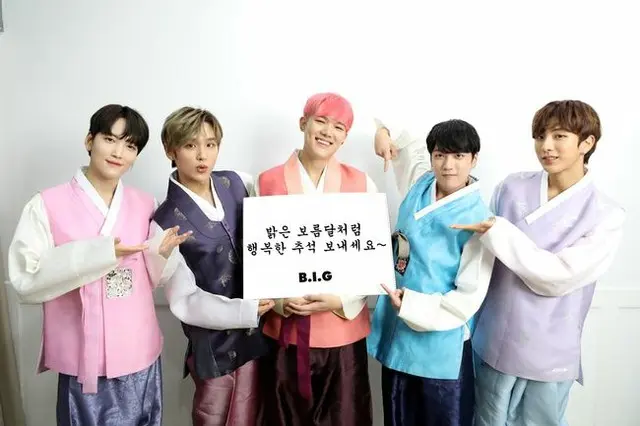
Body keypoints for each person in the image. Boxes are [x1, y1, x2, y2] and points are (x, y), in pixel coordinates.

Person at [7, 104, 190, 426]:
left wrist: (161, 255)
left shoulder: (146, 204)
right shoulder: (46, 204)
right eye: (110, 139)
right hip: (83, 357)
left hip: (139, 350)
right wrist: (100, 253)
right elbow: (25, 278)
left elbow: (155, 278)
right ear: (89, 140)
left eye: (130, 145)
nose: (118, 152)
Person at [451, 100, 626, 425]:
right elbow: (482, 259)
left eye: (559, 136)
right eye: (540, 136)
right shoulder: (511, 188)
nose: (546, 146)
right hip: (493, 336)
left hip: (549, 347)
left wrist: (499, 231)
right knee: (484, 419)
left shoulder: (606, 214)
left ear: (587, 143)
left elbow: (558, 277)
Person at [253, 92, 375, 426]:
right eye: (320, 121)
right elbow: (256, 254)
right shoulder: (266, 182)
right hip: (285, 329)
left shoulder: (361, 183)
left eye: (338, 127)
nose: (327, 132)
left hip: (342, 333)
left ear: (345, 137)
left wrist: (341, 298)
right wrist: (279, 301)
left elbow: (370, 257)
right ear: (302, 123)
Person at [367, 117, 495, 426]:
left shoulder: (479, 220)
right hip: (399, 332)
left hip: (440, 343)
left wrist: (412, 305)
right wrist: (382, 133)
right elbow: (404, 141)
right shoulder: (422, 182)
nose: (448, 165)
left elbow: (469, 296)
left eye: (459, 156)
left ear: (474, 159)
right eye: (440, 155)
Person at [152, 106, 275, 426]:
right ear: (170, 150)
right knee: (215, 416)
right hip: (214, 345)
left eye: (210, 144)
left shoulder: (238, 183)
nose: (202, 155)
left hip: (261, 332)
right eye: (190, 145)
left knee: (260, 413)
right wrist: (243, 310)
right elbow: (185, 300)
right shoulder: (163, 222)